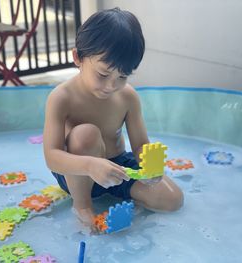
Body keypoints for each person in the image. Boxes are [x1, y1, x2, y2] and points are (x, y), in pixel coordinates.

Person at [43, 7, 183, 229]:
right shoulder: (62, 97)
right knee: (85, 134)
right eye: (103, 74)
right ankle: (83, 207)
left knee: (173, 200)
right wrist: (90, 166)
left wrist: (151, 170)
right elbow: (52, 157)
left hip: (118, 170)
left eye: (123, 76)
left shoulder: (127, 96)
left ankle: (125, 197)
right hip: (78, 173)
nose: (111, 85)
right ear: (78, 57)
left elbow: (140, 146)